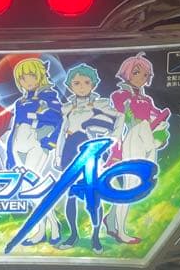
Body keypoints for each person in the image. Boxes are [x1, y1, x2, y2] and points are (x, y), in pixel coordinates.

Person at [103, 54, 170, 244]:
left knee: (140, 183)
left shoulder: (146, 99)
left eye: (146, 74)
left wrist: (160, 128)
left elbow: (157, 116)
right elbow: (120, 118)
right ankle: (121, 231)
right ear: (127, 73)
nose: (142, 77)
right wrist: (115, 149)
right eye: (137, 72)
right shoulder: (120, 95)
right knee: (130, 187)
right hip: (133, 138)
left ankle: (111, 220)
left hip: (148, 139)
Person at [56, 63, 120, 251]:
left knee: (93, 194)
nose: (82, 86)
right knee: (71, 194)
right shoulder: (67, 107)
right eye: (76, 83)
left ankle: (95, 237)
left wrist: (112, 139)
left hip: (90, 148)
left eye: (86, 82)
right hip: (70, 149)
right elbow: (61, 133)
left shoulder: (100, 104)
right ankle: (73, 235)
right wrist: (58, 156)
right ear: (70, 86)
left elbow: (120, 117)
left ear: (93, 84)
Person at [4, 57, 63, 246]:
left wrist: (49, 142)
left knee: (33, 188)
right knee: (26, 189)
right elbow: (14, 127)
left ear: (40, 75)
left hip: (36, 143)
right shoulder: (20, 102)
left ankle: (50, 227)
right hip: (18, 142)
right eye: (22, 78)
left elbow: (58, 120)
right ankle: (45, 228)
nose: (27, 81)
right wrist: (9, 154)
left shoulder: (49, 96)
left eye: (31, 76)